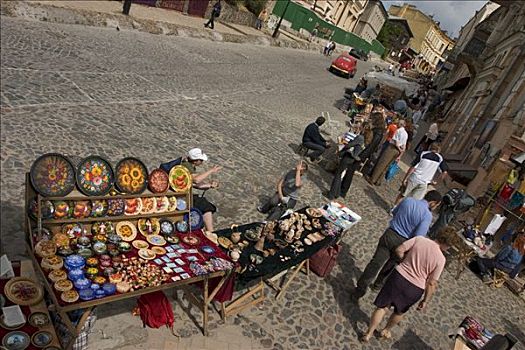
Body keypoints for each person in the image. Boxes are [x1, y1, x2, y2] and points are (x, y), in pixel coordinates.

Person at [360, 227, 454, 342]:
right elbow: (432, 283)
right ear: (447, 244)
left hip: (399, 277)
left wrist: (403, 260)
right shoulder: (441, 259)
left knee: (383, 307)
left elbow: (399, 249)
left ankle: (368, 333)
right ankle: (385, 330)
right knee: (399, 312)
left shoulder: (420, 239)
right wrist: (425, 300)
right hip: (415, 288)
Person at [351, 190, 442, 300]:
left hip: (390, 234)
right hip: (403, 242)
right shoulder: (427, 215)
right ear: (433, 202)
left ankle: (359, 290)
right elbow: (419, 236)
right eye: (436, 205)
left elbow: (394, 212)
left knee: (375, 263)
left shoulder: (408, 200)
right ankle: (378, 285)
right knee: (390, 265)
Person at [393, 143, 448, 210]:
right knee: (414, 201)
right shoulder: (440, 158)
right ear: (439, 150)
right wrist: (436, 181)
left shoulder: (423, 154)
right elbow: (444, 172)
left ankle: (394, 208)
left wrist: (405, 178)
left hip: (415, 178)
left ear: (430, 147)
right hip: (424, 183)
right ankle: (405, 212)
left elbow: (413, 167)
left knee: (402, 194)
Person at [179, 148, 221, 232]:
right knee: (205, 206)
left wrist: (209, 185)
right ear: (195, 161)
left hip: (185, 194)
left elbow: (194, 184)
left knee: (205, 204)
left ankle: (209, 230)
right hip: (182, 196)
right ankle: (210, 231)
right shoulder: (186, 166)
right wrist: (211, 171)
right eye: (201, 160)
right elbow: (196, 180)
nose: (202, 162)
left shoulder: (188, 164)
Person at [327, 127, 365, 200]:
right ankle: (337, 193)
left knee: (338, 174)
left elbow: (349, 145)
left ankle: (331, 194)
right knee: (339, 174)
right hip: (352, 158)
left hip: (349, 156)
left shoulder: (360, 137)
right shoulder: (365, 139)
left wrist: (347, 143)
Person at [368, 119, 408, 186]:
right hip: (397, 151)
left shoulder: (398, 131)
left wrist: (398, 148)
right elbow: (404, 145)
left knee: (382, 163)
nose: (397, 124)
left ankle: (373, 179)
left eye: (398, 123)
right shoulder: (406, 134)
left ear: (400, 124)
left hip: (392, 148)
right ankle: (378, 180)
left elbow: (396, 142)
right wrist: (400, 153)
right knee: (387, 165)